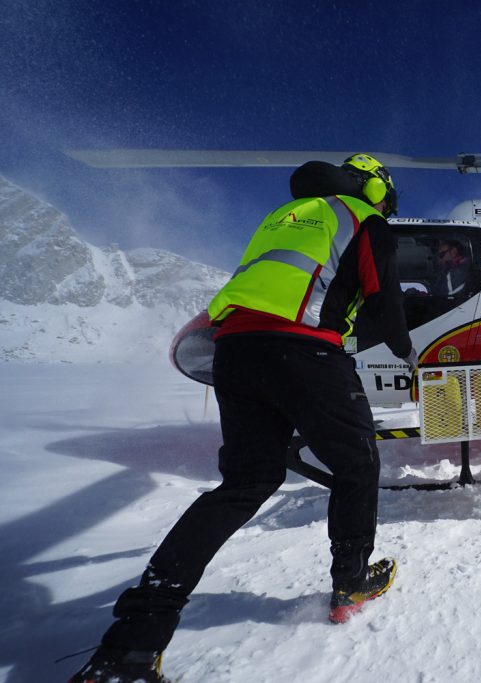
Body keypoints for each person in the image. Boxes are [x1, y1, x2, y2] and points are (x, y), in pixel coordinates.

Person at [70, 154, 417, 683]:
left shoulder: (286, 217)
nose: (386, 208)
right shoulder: (363, 218)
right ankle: (350, 581)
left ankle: (134, 641)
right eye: (385, 197)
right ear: (374, 189)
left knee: (244, 483)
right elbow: (385, 300)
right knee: (357, 464)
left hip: (234, 351)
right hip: (302, 349)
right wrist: (405, 349)